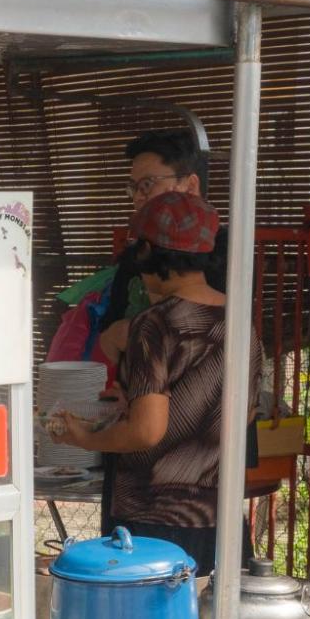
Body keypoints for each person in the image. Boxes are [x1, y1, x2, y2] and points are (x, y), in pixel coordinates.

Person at [56, 190, 263, 576]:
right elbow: (242, 413)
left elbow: (147, 432)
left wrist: (85, 438)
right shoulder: (239, 319)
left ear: (149, 252)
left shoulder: (155, 323)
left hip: (152, 523)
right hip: (219, 515)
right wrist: (137, 401)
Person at [45, 128, 212, 378]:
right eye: (134, 188)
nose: (138, 198)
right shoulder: (136, 254)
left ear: (190, 185)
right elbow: (112, 328)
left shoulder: (224, 254)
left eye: (147, 185)